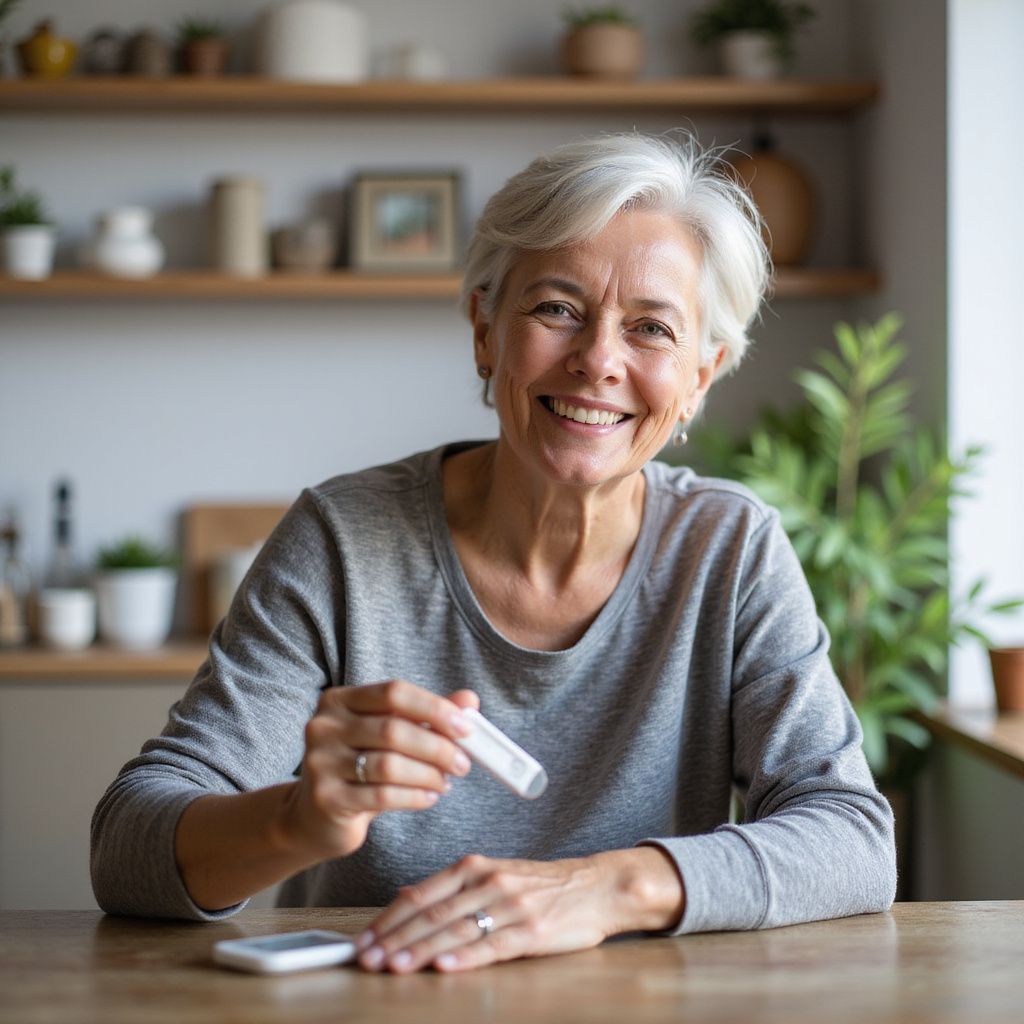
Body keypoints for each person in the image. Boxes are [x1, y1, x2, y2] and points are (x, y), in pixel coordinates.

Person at [91, 131, 897, 974]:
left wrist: (605, 889)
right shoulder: (342, 538)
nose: (597, 362)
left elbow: (852, 835)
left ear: (702, 374)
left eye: (652, 329)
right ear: (485, 329)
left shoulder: (731, 549)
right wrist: (300, 820)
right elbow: (127, 845)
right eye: (556, 308)